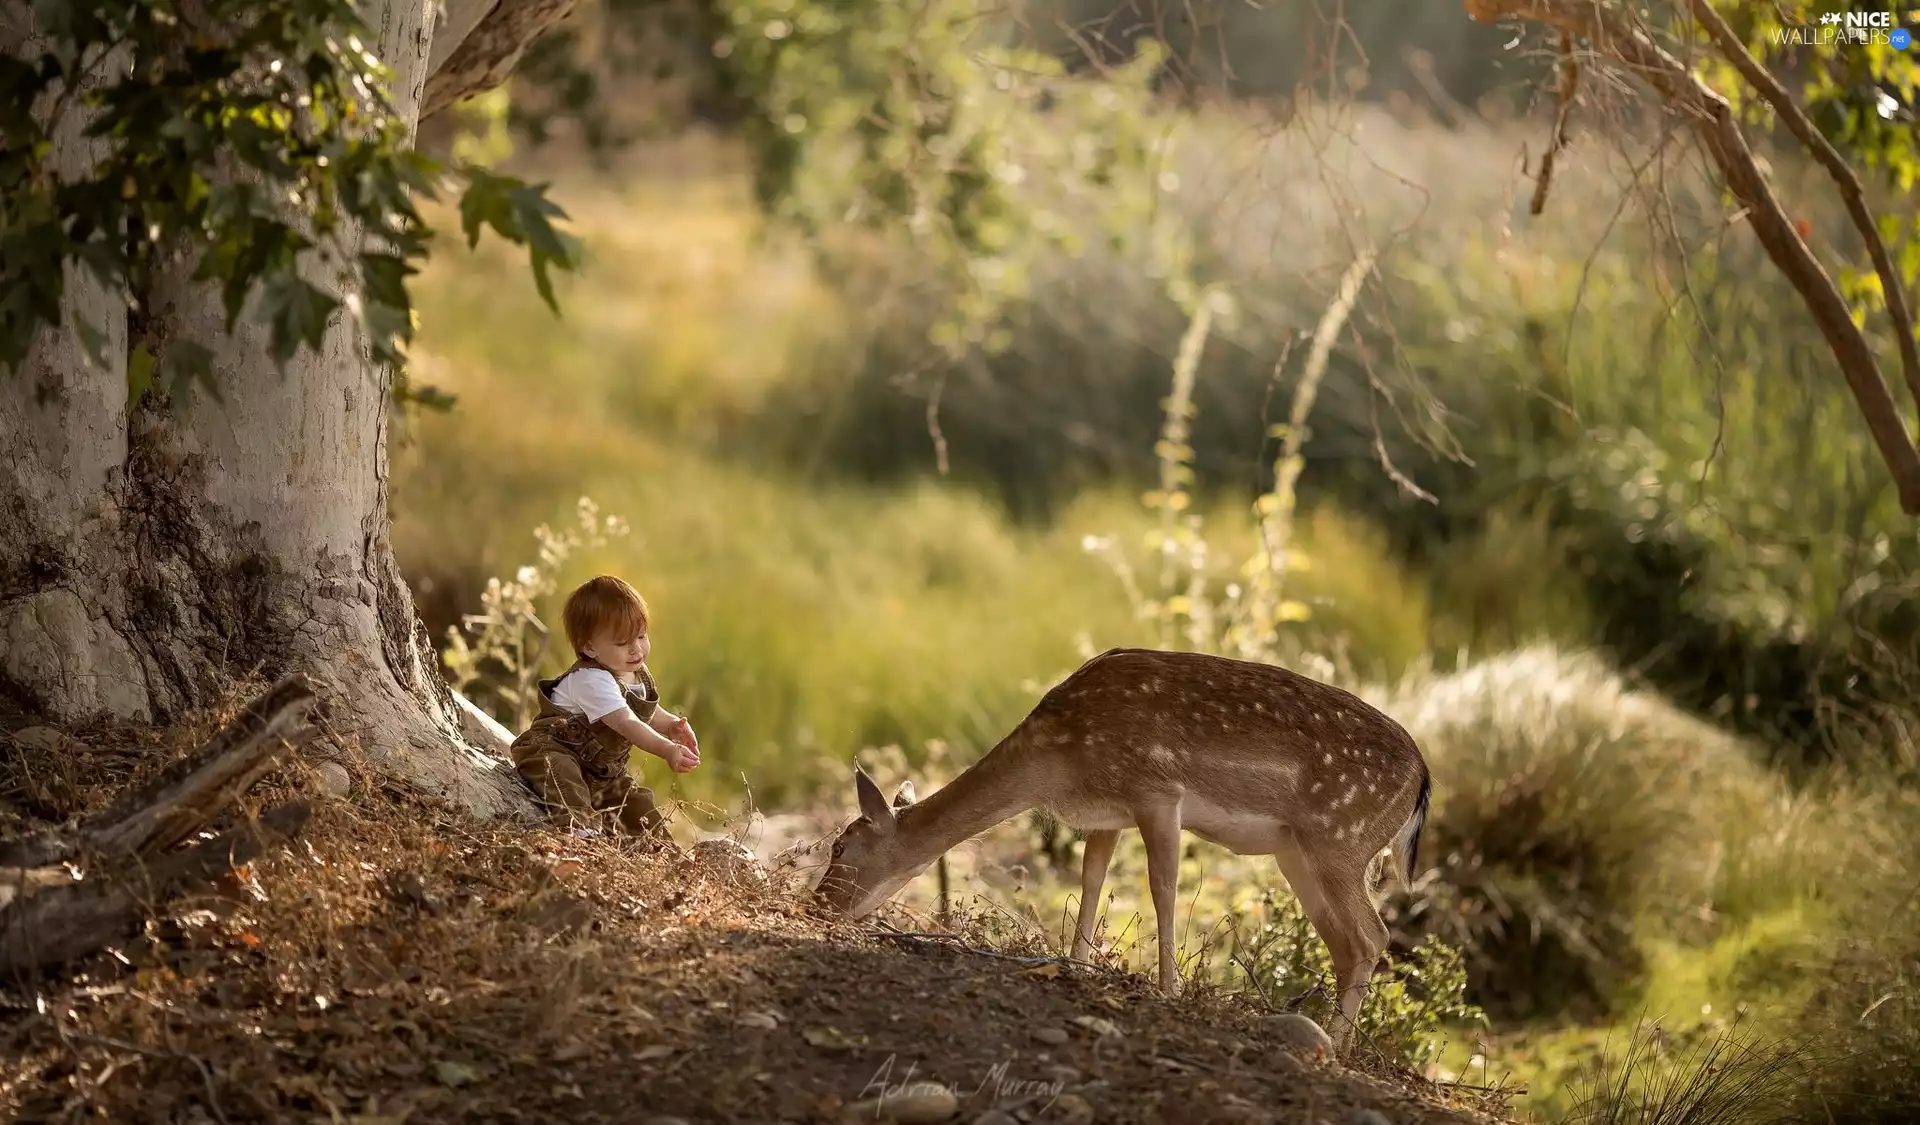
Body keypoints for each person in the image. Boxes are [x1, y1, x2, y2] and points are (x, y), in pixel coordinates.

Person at [508, 575, 700, 843]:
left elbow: (645, 712)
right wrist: (667, 749)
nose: (636, 649)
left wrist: (671, 726)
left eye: (641, 636)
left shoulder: (633, 672)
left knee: (638, 805)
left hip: (602, 773)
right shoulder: (591, 679)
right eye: (622, 643)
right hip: (553, 753)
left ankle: (661, 853)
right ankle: (582, 838)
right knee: (563, 778)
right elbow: (626, 723)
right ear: (590, 647)